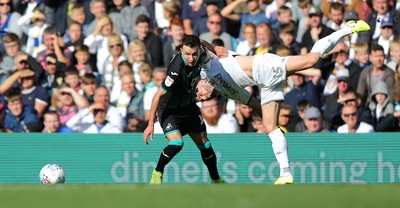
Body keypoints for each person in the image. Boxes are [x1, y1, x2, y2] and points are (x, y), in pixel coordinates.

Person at [195, 20, 371, 184]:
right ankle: (286, 174)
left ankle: (347, 29)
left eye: (198, 93)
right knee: (269, 127)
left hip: (264, 66)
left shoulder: (208, 66)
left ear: (199, 83)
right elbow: (254, 105)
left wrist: (213, 47)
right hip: (265, 83)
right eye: (200, 99)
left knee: (311, 60)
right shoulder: (228, 92)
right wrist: (275, 130)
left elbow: (196, 41)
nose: (202, 96)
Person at [143, 35, 225, 185]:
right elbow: (157, 96)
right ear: (181, 50)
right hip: (170, 110)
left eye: (194, 54)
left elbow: (201, 41)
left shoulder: (201, 52)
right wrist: (150, 125)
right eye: (187, 54)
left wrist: (214, 49)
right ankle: (157, 172)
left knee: (205, 145)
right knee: (177, 143)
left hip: (189, 107)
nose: (191, 58)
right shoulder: (176, 68)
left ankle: (216, 180)